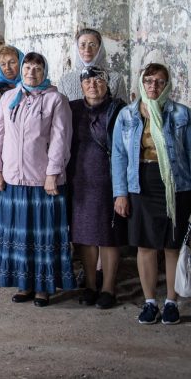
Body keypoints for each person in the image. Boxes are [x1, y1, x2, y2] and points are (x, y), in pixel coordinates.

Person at [0, 52, 75, 306]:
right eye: (27, 67)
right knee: (19, 236)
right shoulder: (8, 98)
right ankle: (24, 284)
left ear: (44, 71)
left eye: (37, 69)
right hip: (13, 179)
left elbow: (61, 140)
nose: (31, 73)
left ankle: (43, 287)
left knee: (42, 237)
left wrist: (52, 174)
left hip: (42, 181)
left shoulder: (55, 100)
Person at [112, 62, 191, 325]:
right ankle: (149, 303)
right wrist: (120, 193)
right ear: (141, 83)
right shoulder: (127, 115)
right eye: (148, 81)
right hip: (140, 183)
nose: (153, 86)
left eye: (159, 81)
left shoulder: (181, 114)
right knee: (145, 245)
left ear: (167, 84)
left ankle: (171, 302)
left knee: (171, 246)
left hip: (175, 185)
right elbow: (119, 157)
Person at [68, 66, 126, 309]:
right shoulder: (72, 108)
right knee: (85, 236)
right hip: (80, 181)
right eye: (87, 80)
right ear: (81, 85)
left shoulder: (119, 109)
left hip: (109, 181)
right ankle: (91, 285)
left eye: (98, 80)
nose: (93, 84)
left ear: (107, 84)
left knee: (108, 236)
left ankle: (108, 288)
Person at [58, 28, 130, 102]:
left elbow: (123, 111)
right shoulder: (65, 81)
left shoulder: (116, 79)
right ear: (77, 49)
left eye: (92, 44)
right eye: (82, 45)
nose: (87, 49)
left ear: (100, 48)